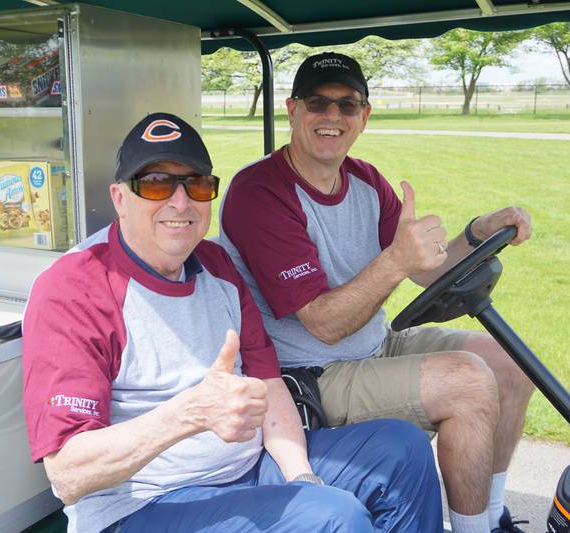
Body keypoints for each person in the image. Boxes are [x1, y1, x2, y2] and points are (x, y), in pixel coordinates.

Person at [21, 112, 443, 533]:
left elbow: (269, 384)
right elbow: (68, 474)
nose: (180, 202)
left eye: (197, 185)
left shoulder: (216, 264)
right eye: (155, 184)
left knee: (402, 450)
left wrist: (301, 478)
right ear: (119, 197)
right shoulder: (74, 287)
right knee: (334, 519)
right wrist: (188, 414)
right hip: (143, 505)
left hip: (249, 469)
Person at [219, 53, 535, 533]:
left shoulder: (365, 180)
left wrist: (478, 232)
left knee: (510, 364)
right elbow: (324, 325)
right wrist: (395, 261)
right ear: (292, 109)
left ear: (364, 116)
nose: (333, 117)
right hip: (307, 376)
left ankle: (492, 517)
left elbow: (427, 272)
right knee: (467, 383)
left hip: (371, 345)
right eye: (318, 103)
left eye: (347, 105)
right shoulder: (260, 193)